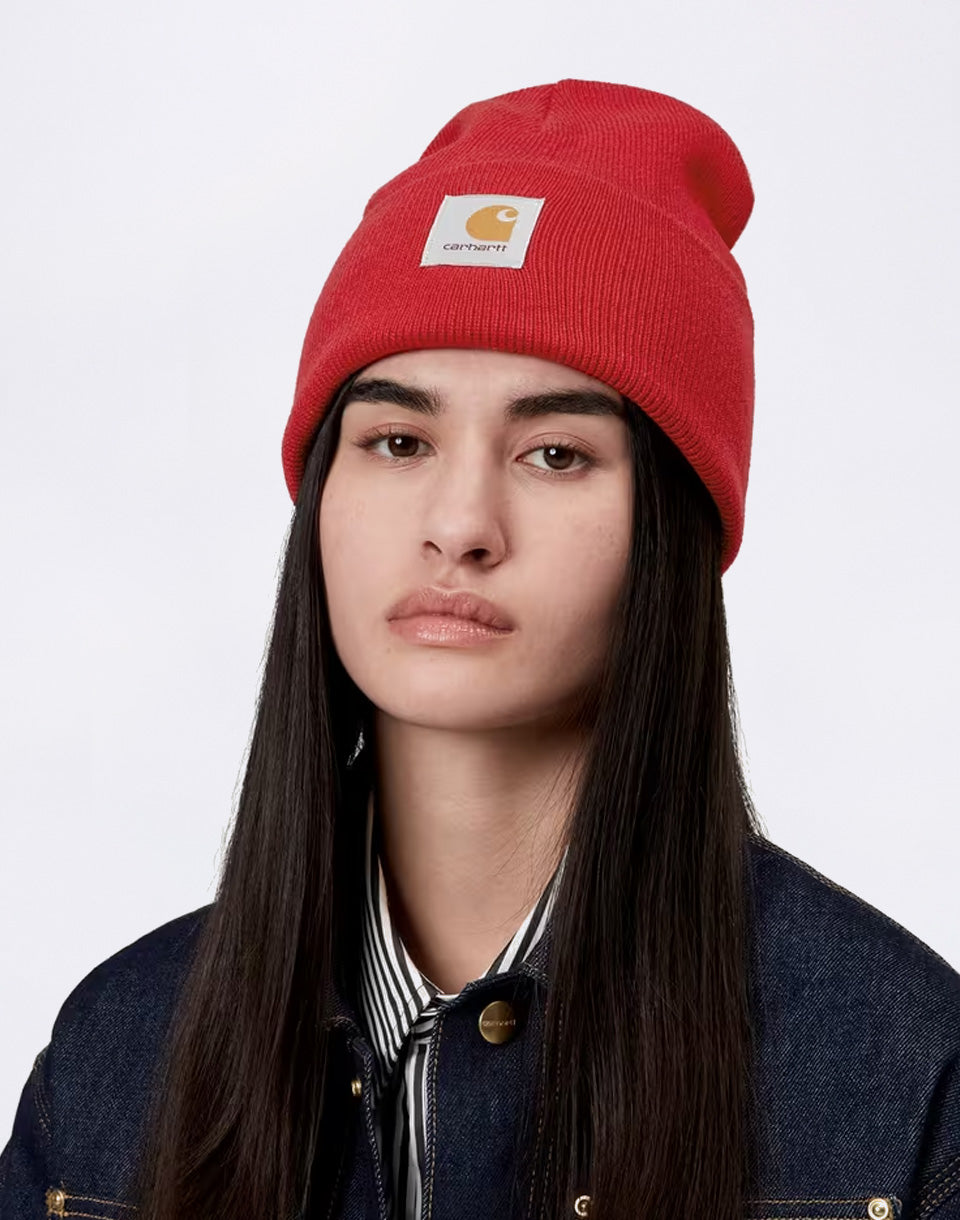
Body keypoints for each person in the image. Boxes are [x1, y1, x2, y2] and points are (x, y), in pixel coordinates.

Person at [1, 78, 958, 1220]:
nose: (459, 525)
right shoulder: (116, 1060)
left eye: (555, 454)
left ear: (677, 528)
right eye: (398, 440)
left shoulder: (901, 1083)